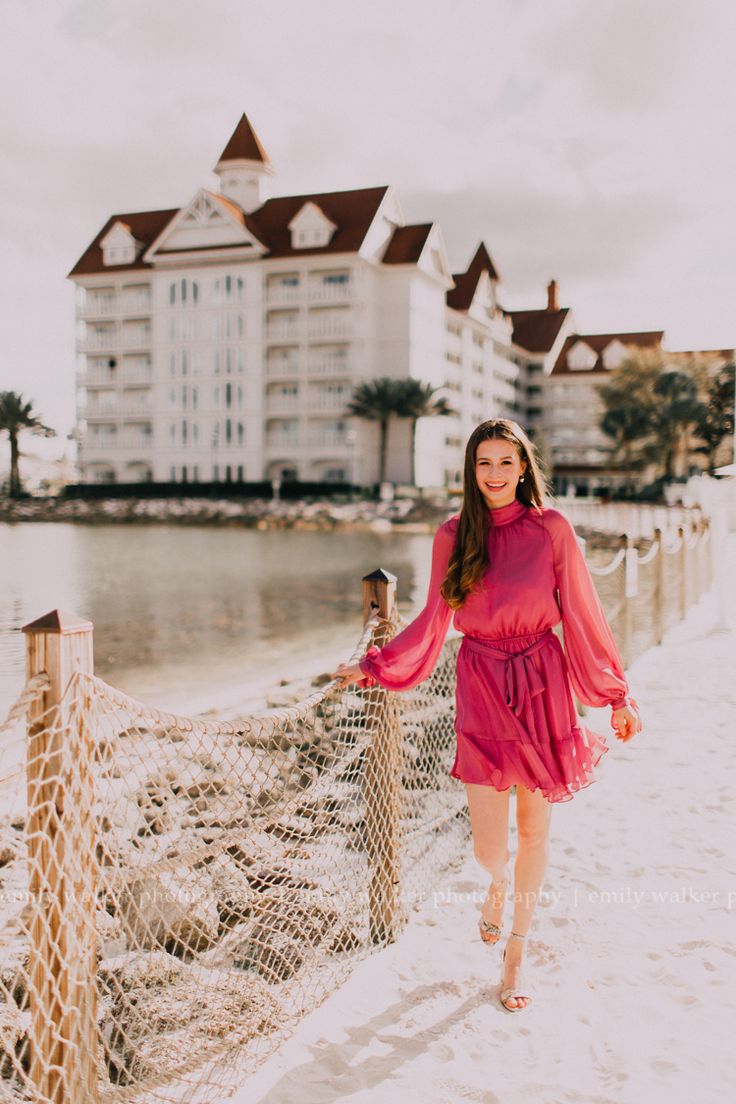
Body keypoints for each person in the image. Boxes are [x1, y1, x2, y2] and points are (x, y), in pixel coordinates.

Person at [331, 418, 642, 1013]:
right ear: (470, 471)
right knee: (487, 848)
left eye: (506, 462)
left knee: (534, 831)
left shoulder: (552, 528)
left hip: (543, 682)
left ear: (524, 467)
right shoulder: (452, 534)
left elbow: (581, 611)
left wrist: (615, 694)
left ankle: (516, 955)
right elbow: (433, 620)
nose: (495, 474)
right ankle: (496, 885)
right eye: (484, 463)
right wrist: (377, 665)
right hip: (481, 682)